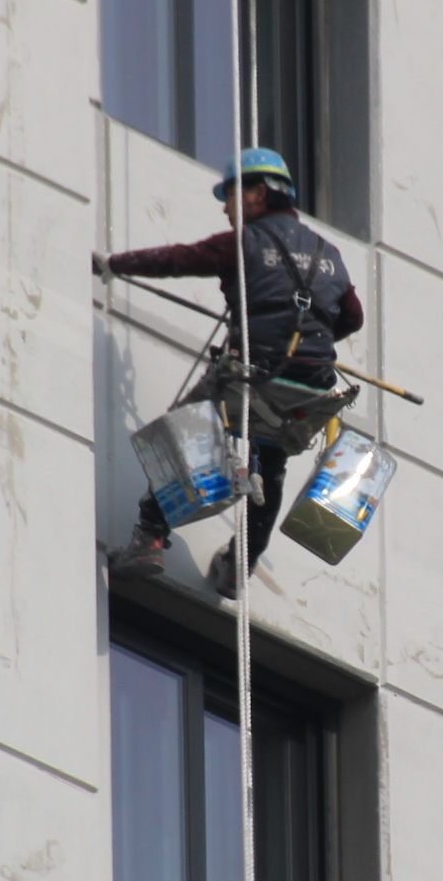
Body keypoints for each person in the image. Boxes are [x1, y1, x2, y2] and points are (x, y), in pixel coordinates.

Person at [97, 149, 363, 596]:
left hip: (253, 373)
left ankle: (150, 538)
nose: (226, 209)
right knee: (271, 464)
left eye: (232, 196)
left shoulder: (245, 242)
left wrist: (114, 264)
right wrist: (305, 339)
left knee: (185, 429)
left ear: (258, 193)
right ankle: (240, 566)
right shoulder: (329, 254)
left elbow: (178, 259)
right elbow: (352, 317)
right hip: (310, 387)